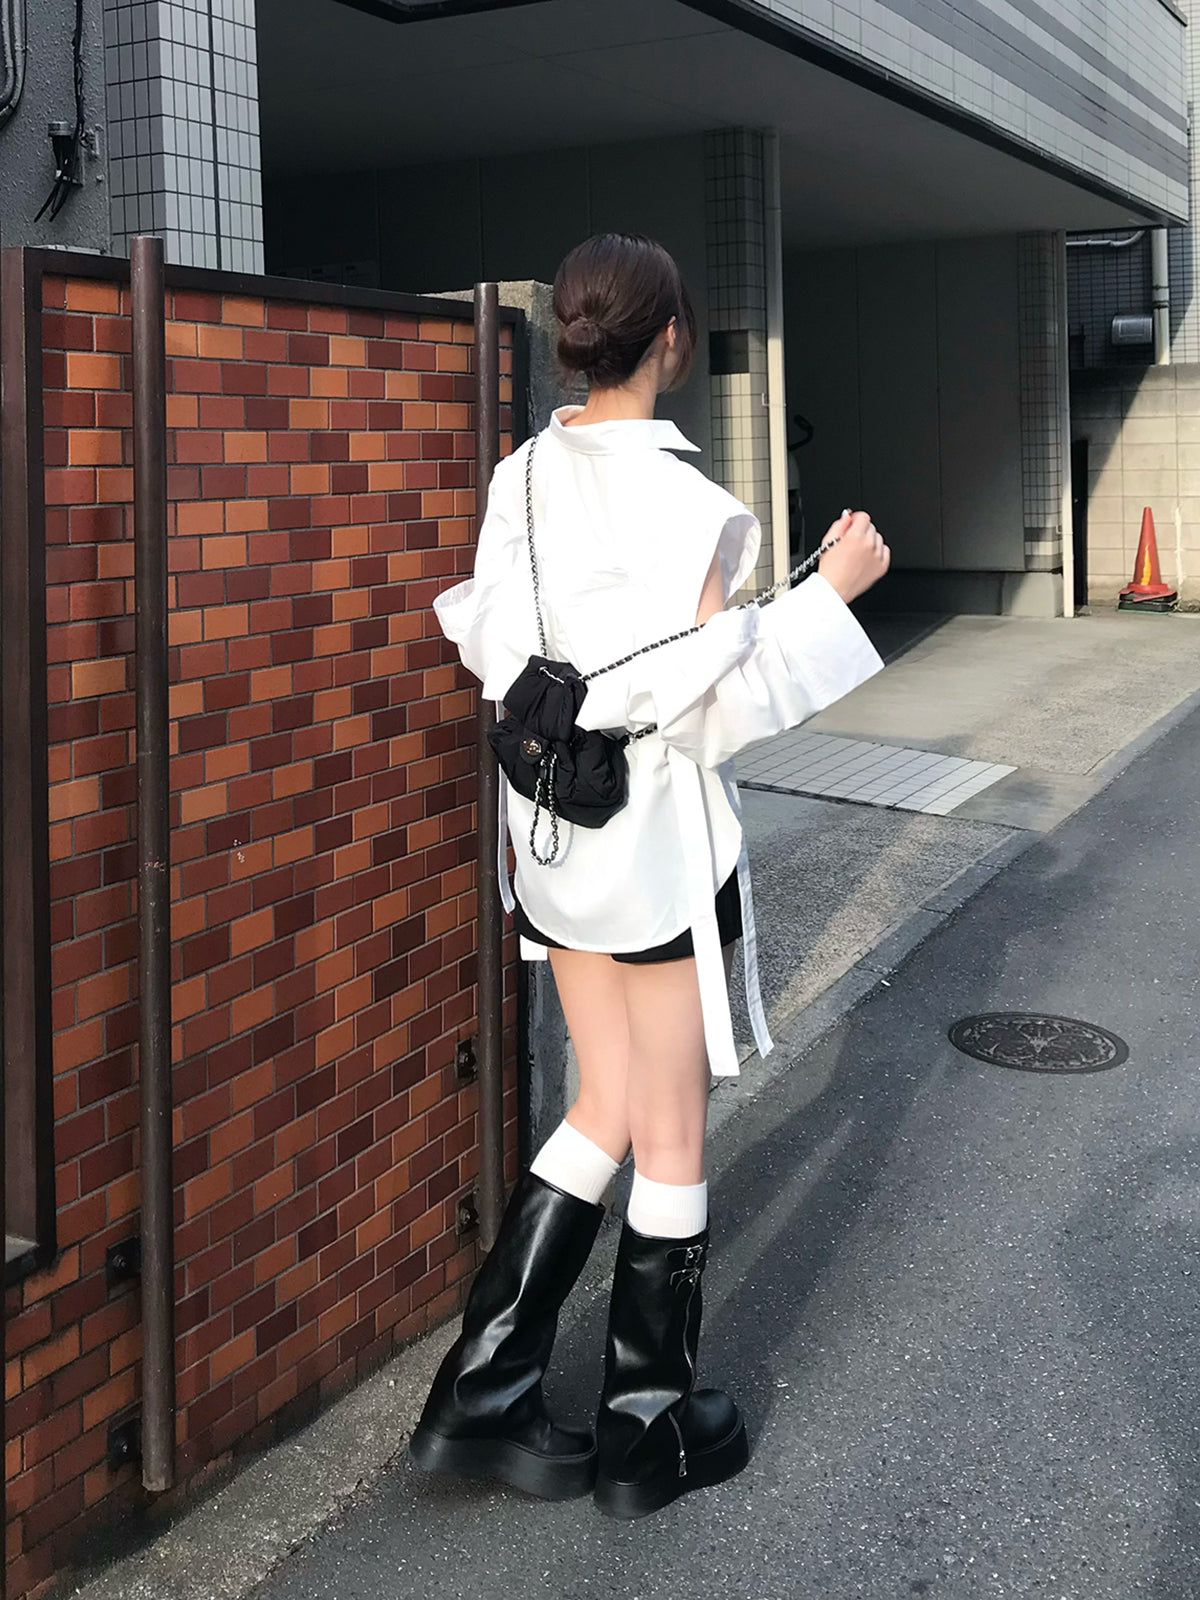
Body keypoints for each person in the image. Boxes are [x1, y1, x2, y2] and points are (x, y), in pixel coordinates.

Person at [409, 233, 890, 1520]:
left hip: (554, 837)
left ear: (576, 338)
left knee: (605, 1100)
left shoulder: (518, 477)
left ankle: (485, 1388)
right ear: (669, 339)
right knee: (669, 1128)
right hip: (656, 850)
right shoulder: (689, 505)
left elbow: (501, 646)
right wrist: (833, 596)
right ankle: (646, 1425)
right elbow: (711, 711)